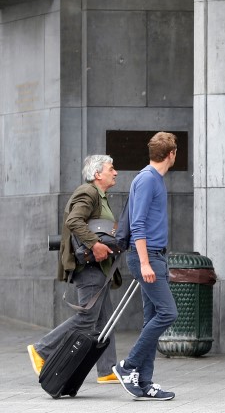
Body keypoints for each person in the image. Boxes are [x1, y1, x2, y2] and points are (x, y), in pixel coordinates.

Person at [27, 155, 121, 384]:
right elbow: (74, 221)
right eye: (111, 168)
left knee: (104, 320)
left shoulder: (101, 196)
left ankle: (107, 369)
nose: (115, 172)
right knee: (87, 317)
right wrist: (95, 244)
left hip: (100, 268)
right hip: (89, 267)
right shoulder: (88, 192)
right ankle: (42, 349)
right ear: (98, 174)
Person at [113, 132, 179, 401]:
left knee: (152, 318)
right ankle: (128, 367)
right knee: (167, 313)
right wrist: (144, 263)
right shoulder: (148, 180)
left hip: (155, 257)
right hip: (147, 257)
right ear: (172, 154)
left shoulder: (153, 179)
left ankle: (145, 381)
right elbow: (137, 224)